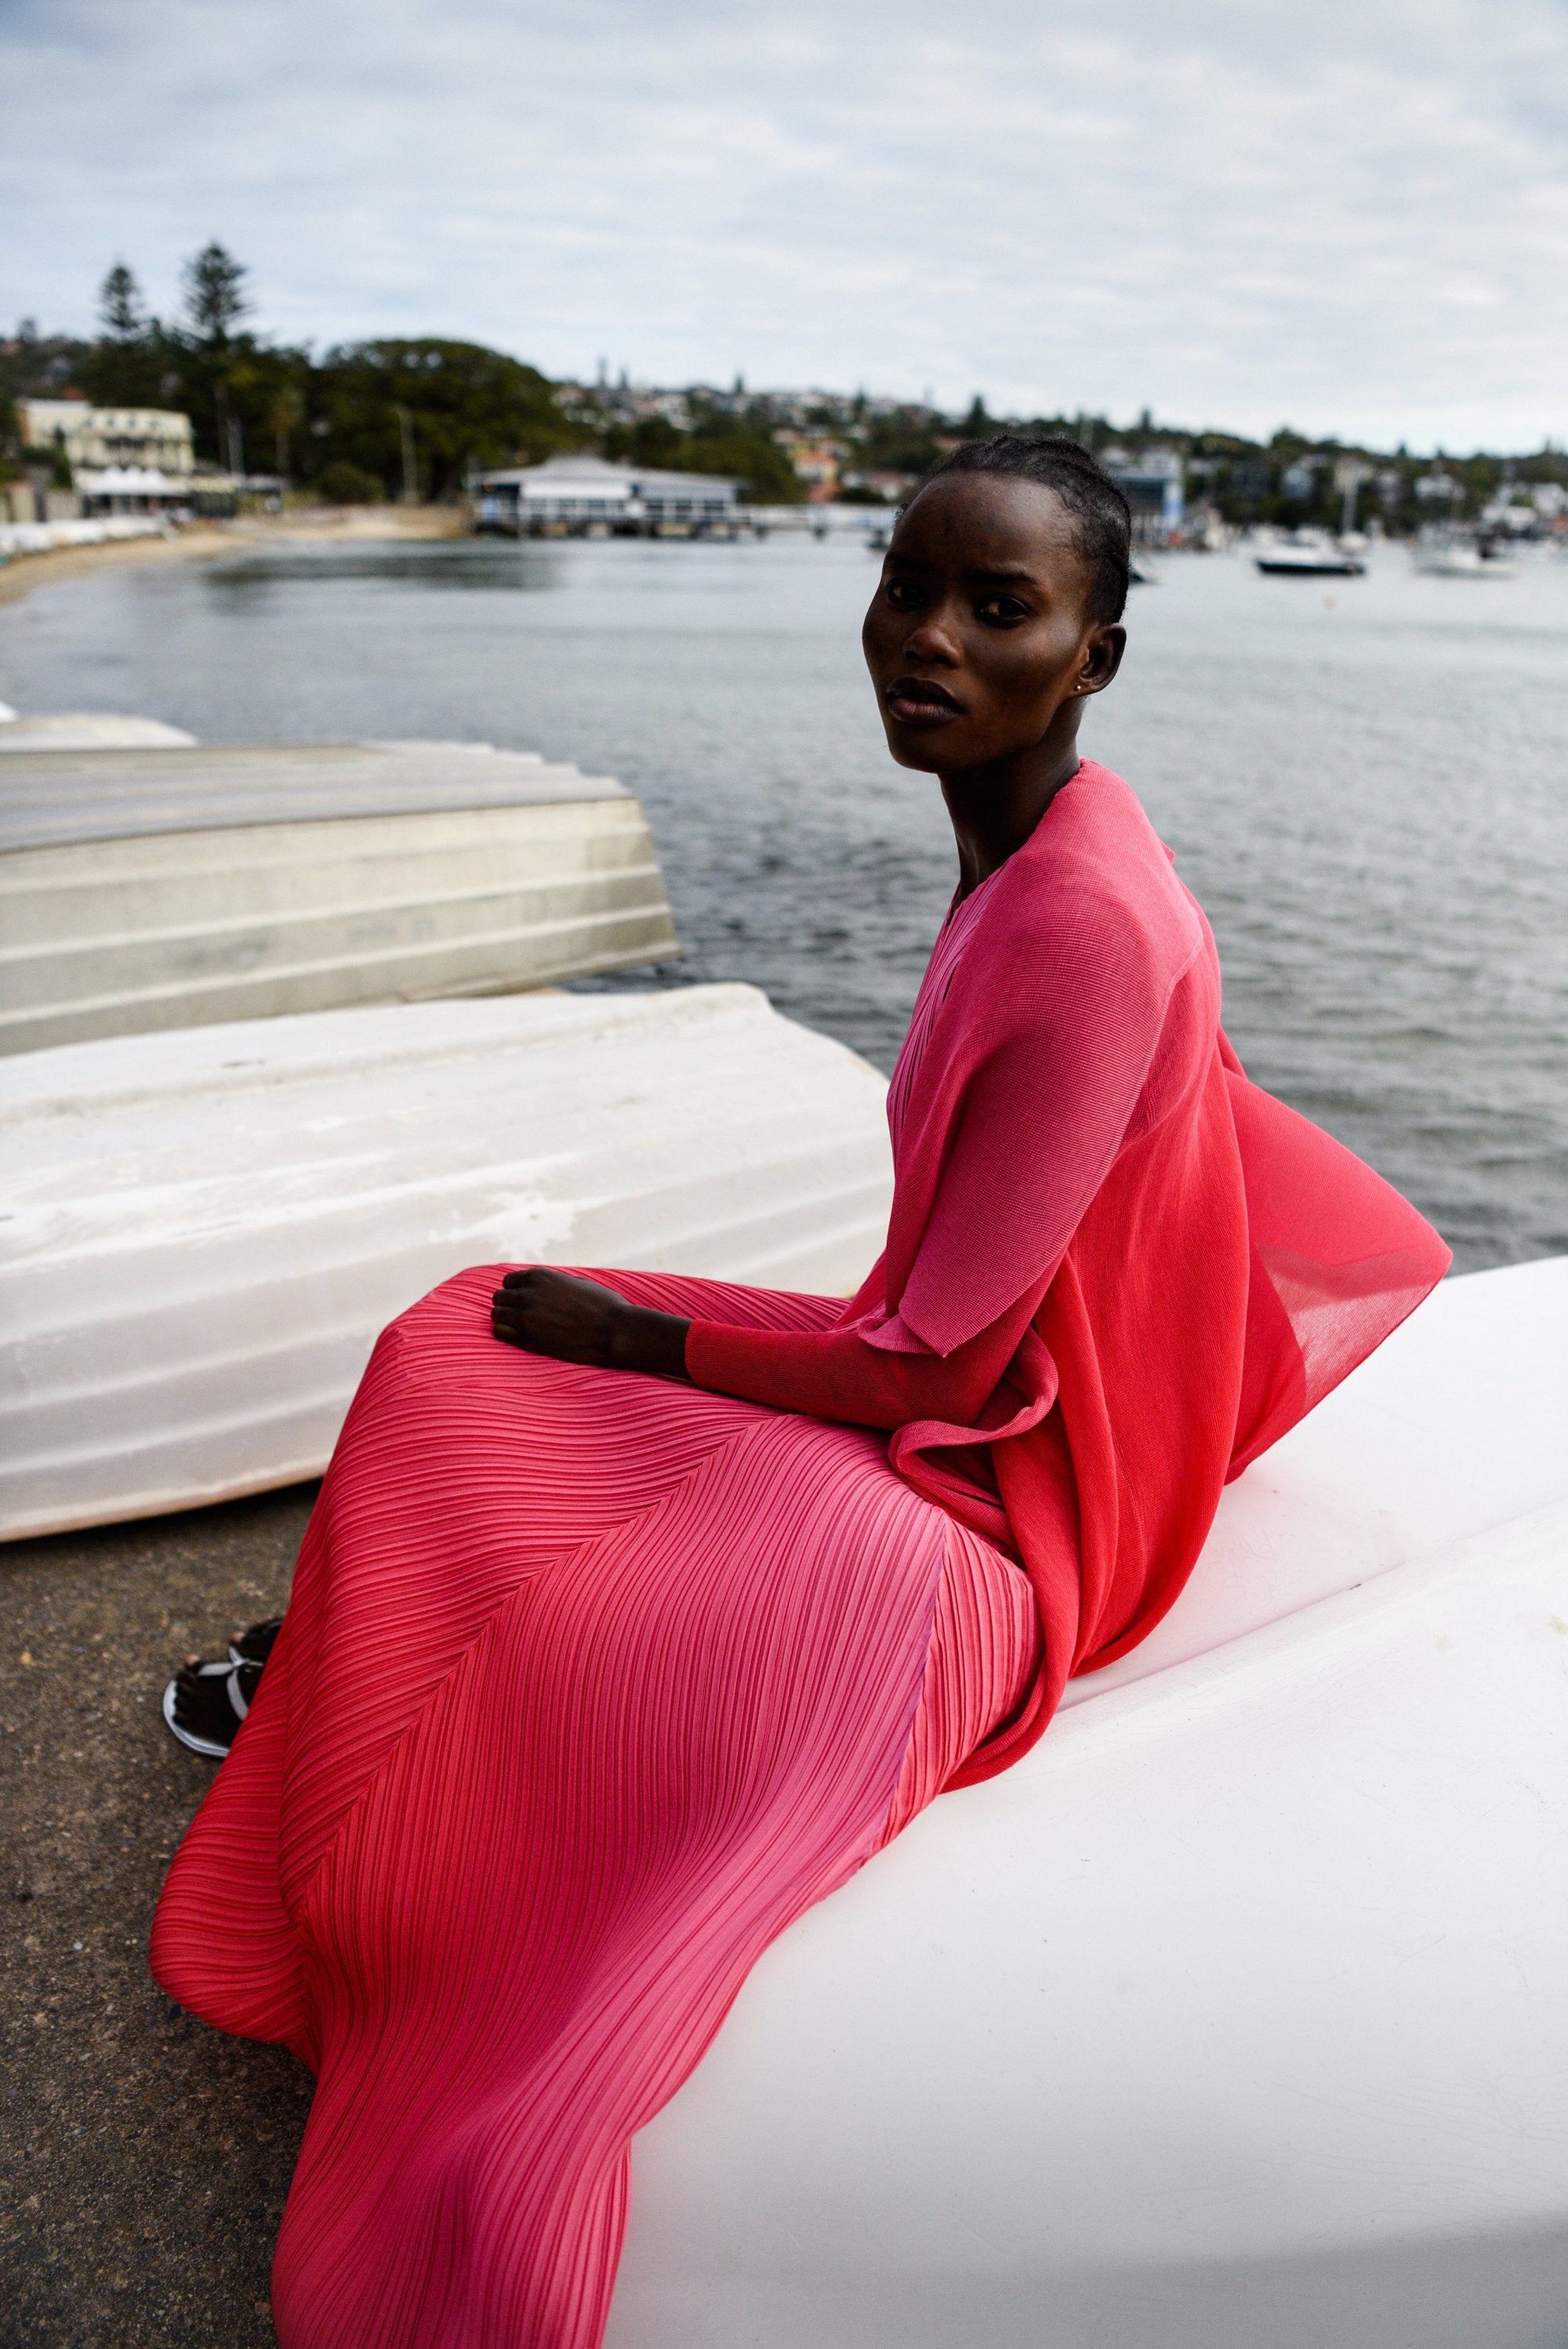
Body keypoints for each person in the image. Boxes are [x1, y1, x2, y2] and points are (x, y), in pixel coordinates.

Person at [154, 436, 1449, 2349]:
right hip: (940, 1384)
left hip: (997, 1503)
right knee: (456, 1337)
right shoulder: (1035, 848)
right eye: (903, 587)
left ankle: (392, 1790)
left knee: (537, 1391)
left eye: (996, 608)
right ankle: (357, 1685)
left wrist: (633, 1337)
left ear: (1094, 655)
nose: (923, 639)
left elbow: (936, 1359)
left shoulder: (1078, 915)